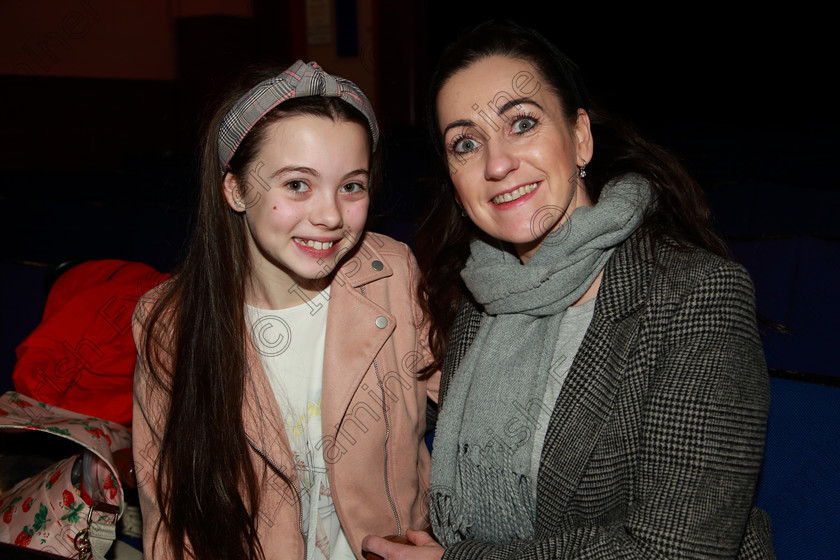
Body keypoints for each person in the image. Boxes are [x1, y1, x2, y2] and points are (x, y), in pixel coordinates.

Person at [361, 20, 774, 560]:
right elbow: (391, 417)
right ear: (453, 182)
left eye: (522, 124)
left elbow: (680, 550)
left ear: (580, 137)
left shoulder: (695, 295)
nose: (498, 163)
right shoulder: (481, 294)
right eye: (465, 143)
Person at [132, 60, 435, 560]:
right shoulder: (170, 323)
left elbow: (478, 409)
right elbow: (170, 512)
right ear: (235, 189)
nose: (331, 215)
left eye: (352, 185)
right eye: (297, 184)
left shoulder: (393, 276)